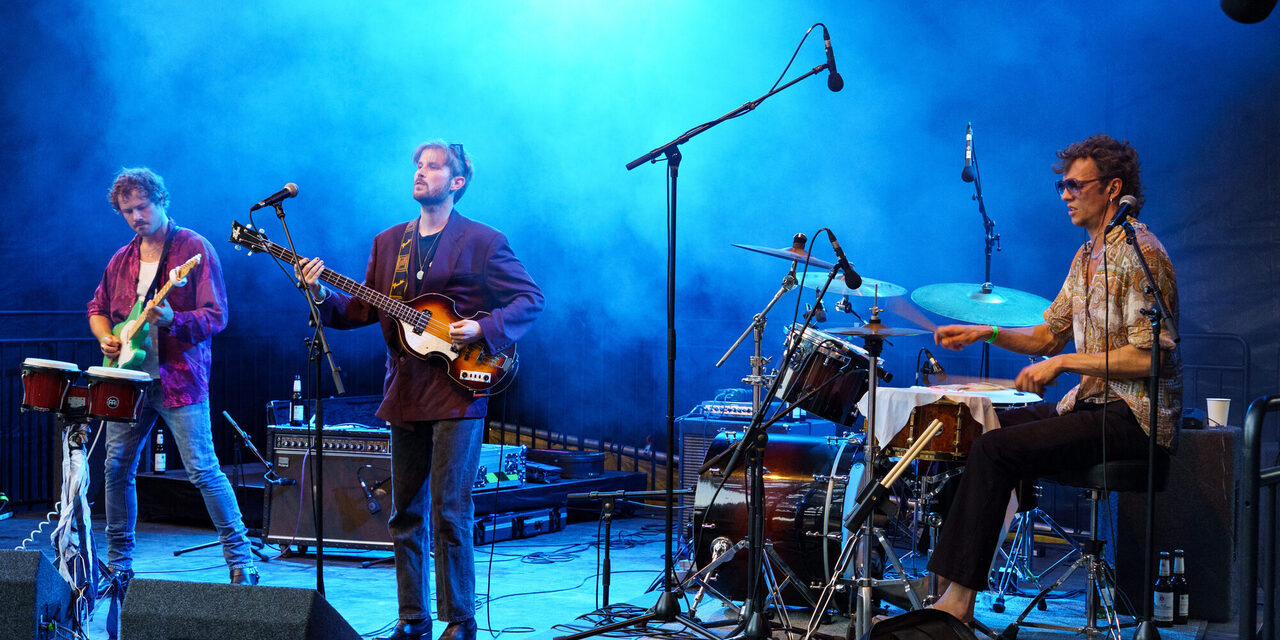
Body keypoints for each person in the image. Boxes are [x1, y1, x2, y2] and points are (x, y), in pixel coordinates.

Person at [924, 135, 1182, 622]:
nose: (1065, 194)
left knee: (995, 450)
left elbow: (1150, 359)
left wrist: (1064, 364)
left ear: (1113, 188)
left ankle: (957, 605)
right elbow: (1048, 335)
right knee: (977, 430)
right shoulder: (1085, 257)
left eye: (1075, 185)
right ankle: (941, 587)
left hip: (1134, 418)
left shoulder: (1142, 253)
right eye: (1061, 186)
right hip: (1091, 407)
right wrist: (987, 331)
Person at [298, 141, 544, 640]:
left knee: (450, 509)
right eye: (418, 165)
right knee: (404, 511)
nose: (420, 172)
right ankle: (413, 619)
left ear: (456, 182)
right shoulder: (389, 242)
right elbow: (361, 309)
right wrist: (321, 293)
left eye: (433, 166)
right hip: (405, 388)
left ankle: (461, 620)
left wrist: (483, 328)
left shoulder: (484, 240)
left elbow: (529, 299)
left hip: (460, 388)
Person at [88, 168, 258, 632]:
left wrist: (172, 320)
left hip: (179, 379)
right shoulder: (121, 259)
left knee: (203, 469)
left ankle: (241, 560)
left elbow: (216, 316)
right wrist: (106, 337)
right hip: (129, 379)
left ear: (161, 200)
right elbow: (97, 308)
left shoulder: (193, 249)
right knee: (116, 468)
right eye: (127, 211)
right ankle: (119, 564)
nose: (136, 217)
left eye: (142, 207)